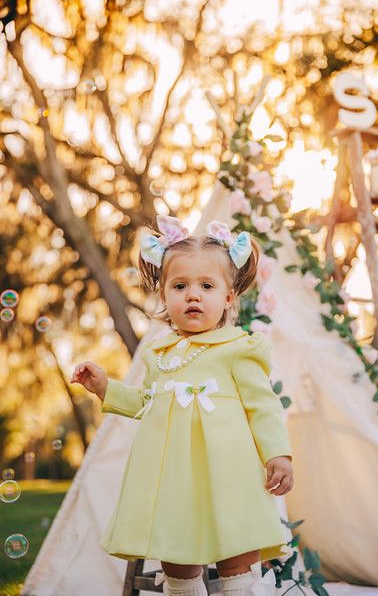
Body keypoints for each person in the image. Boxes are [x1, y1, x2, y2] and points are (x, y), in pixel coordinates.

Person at [71, 215, 294, 596]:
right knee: (177, 556)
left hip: (228, 476)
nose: (193, 295)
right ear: (163, 295)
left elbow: (263, 405)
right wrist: (106, 388)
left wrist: (278, 454)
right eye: (180, 286)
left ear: (227, 297)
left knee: (237, 555)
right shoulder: (161, 354)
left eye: (206, 286)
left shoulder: (238, 348)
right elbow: (147, 403)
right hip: (173, 479)